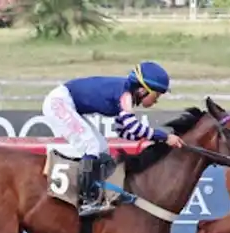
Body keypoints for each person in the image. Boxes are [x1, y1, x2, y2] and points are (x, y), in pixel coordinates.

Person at [41, 61, 185, 216]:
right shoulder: (125, 96)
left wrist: (153, 139)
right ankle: (87, 201)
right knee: (91, 146)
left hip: (66, 102)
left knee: (102, 147)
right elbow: (133, 127)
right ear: (143, 90)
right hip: (59, 103)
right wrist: (163, 136)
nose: (156, 100)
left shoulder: (126, 96)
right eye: (156, 95)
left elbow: (123, 131)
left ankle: (98, 193)